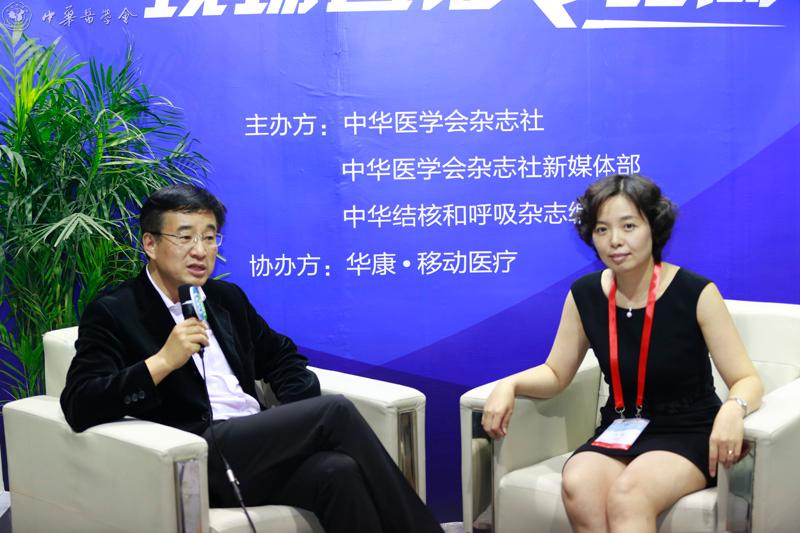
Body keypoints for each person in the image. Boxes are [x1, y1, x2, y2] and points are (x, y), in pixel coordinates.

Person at [60, 184, 442, 533]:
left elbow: (284, 358)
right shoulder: (115, 311)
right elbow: (80, 402)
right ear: (150, 243)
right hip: (195, 453)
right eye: (185, 237)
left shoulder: (226, 299)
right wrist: (162, 361)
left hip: (253, 447)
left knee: (337, 471)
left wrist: (291, 422)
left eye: (210, 237)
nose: (200, 250)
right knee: (335, 411)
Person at [481, 174, 763, 533]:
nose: (615, 240)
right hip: (620, 428)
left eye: (629, 226)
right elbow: (556, 373)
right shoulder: (585, 294)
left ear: (653, 228)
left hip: (687, 431)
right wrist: (509, 385)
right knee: (578, 482)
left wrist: (733, 409)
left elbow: (746, 379)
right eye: (602, 229)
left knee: (629, 494)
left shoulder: (696, 293)